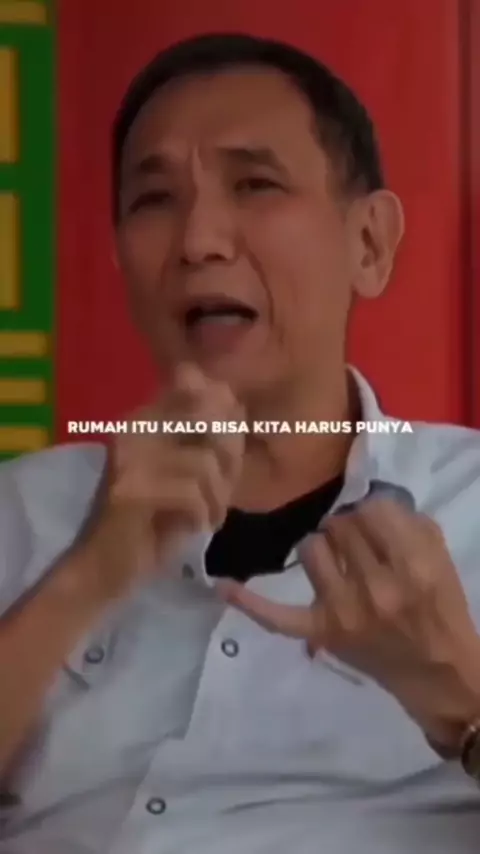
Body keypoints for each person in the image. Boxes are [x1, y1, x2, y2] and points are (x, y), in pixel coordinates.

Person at [0, 31, 479, 854]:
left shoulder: (468, 505)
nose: (198, 241)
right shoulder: (22, 510)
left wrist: (462, 703)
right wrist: (84, 578)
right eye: (154, 200)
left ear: (369, 243)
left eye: (255, 184)